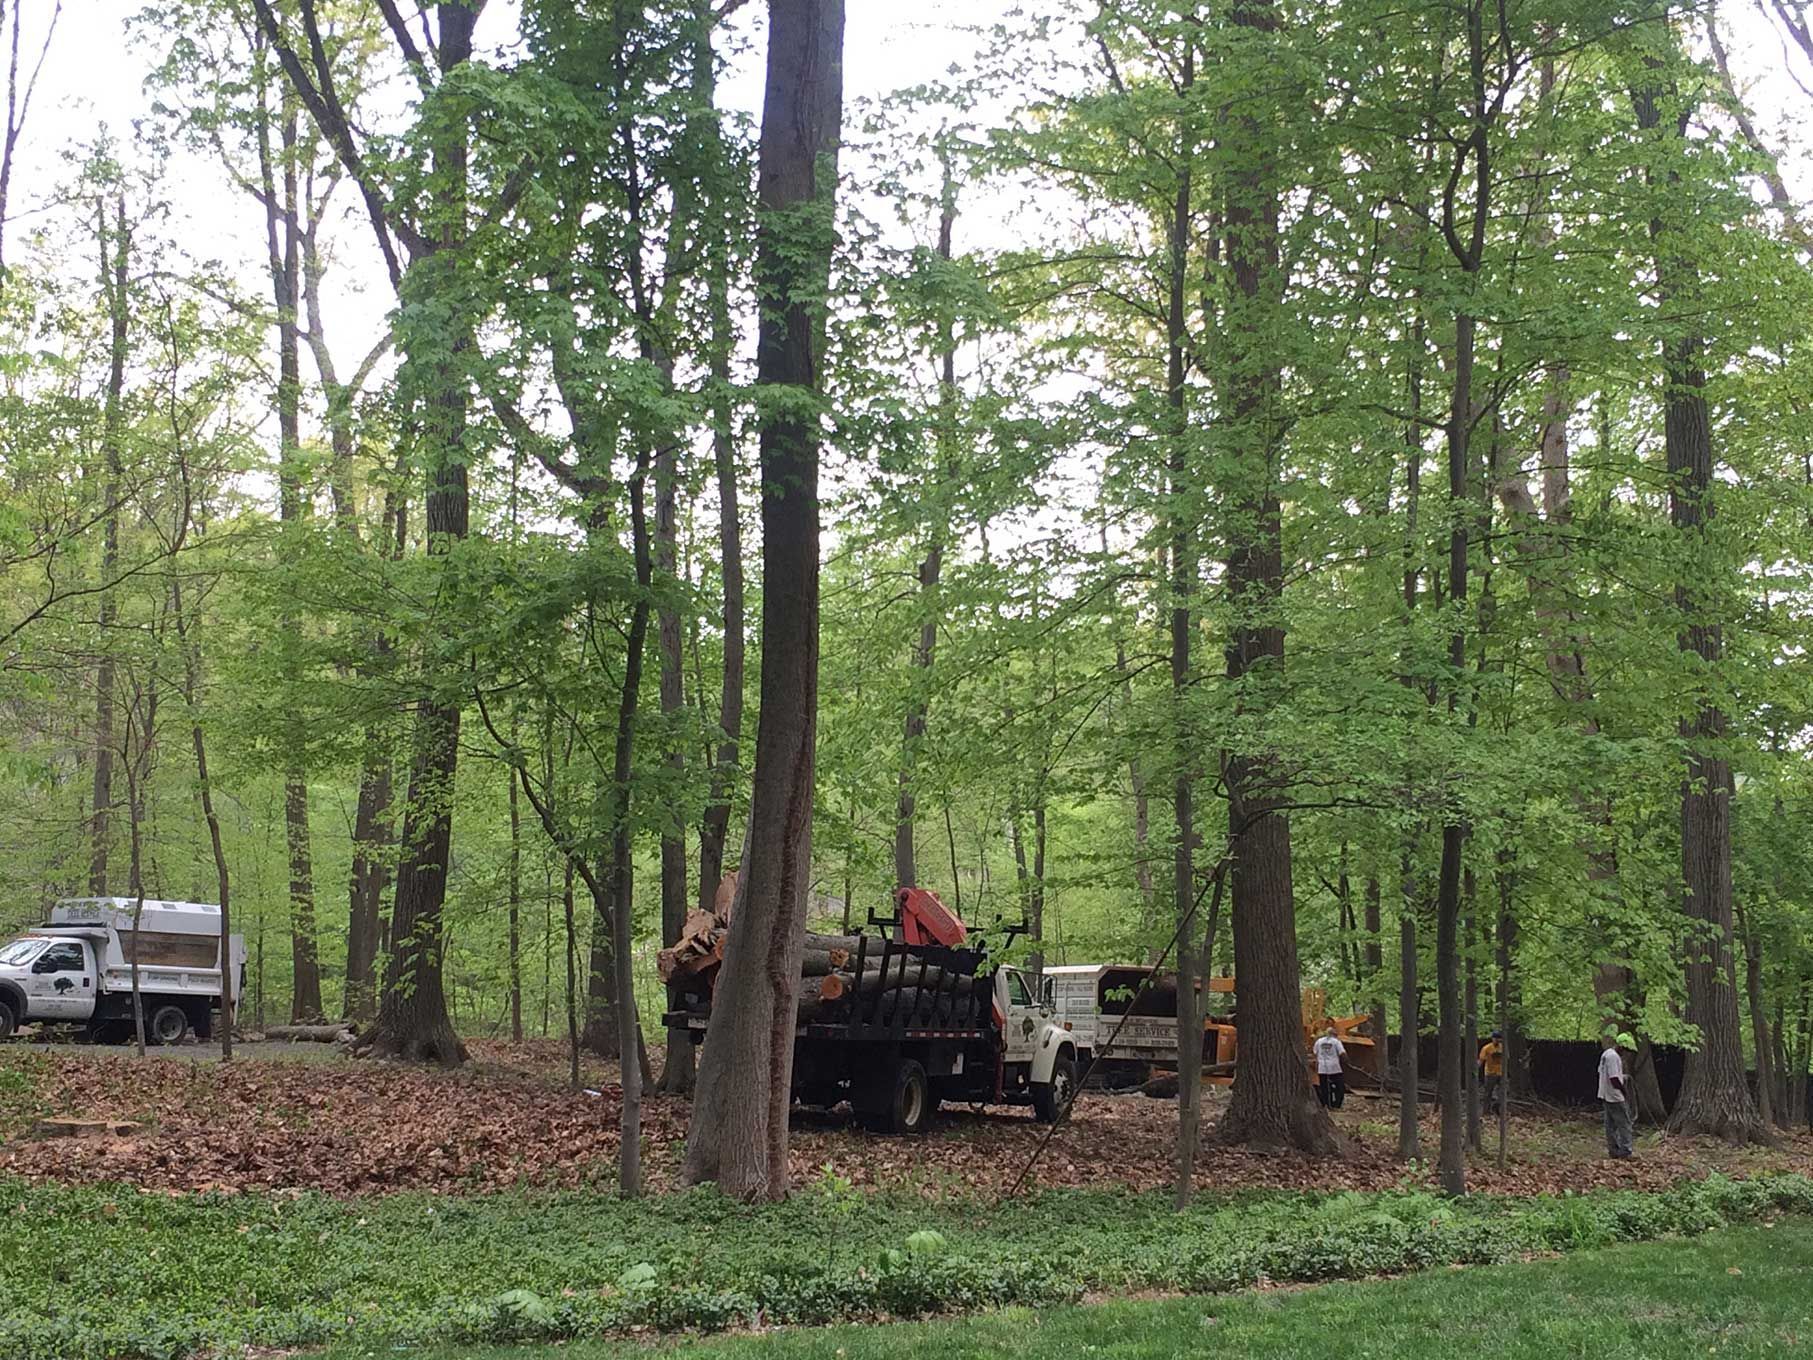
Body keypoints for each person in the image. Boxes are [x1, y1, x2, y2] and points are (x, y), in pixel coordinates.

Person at [1598, 1033, 1634, 1160]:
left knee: (1610, 1125)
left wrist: (1623, 1076)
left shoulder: (1607, 1054)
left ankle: (1613, 1151)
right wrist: (1624, 1091)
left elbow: (1607, 1074)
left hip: (1605, 1094)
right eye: (1626, 1050)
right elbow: (1614, 1079)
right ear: (1621, 1047)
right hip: (1614, 1096)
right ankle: (1626, 1151)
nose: (1626, 1054)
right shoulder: (1614, 1057)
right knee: (1625, 1123)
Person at [1312, 1022, 1347, 1110]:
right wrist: (1347, 1061)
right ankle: (1336, 1105)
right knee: (1340, 1087)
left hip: (1322, 1068)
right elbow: (1342, 1053)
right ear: (1334, 1034)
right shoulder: (1336, 1042)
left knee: (1324, 1088)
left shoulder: (1319, 1042)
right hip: (1335, 1068)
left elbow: (1315, 1054)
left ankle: (1326, 1104)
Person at [1478, 1030, 1506, 1115]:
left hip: (1500, 1073)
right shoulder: (1486, 1048)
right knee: (1488, 1093)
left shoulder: (1503, 1047)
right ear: (1492, 1038)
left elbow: (1506, 1059)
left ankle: (1498, 1108)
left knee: (1502, 1092)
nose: (1497, 1040)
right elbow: (1481, 1060)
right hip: (1490, 1073)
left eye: (1498, 1038)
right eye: (1495, 1038)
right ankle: (1486, 1111)